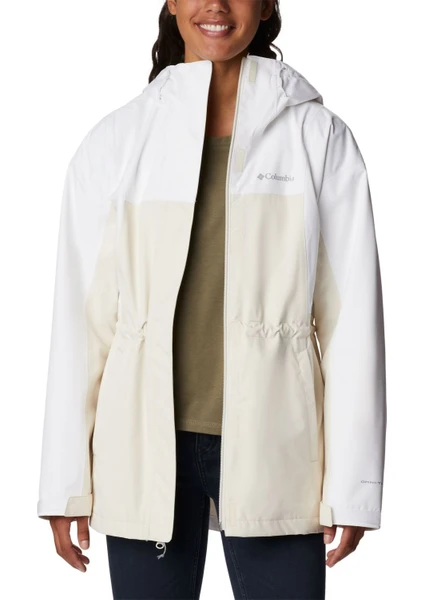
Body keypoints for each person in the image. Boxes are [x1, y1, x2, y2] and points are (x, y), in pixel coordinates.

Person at [36, 1, 387, 598]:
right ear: (171, 2)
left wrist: (353, 485)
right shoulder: (117, 141)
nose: (216, 5)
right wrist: (64, 481)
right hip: (143, 449)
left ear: (268, 4)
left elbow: (352, 321)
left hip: (278, 447)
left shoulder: (317, 137)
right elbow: (81, 322)